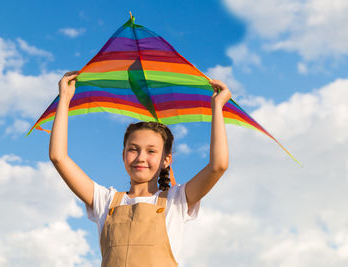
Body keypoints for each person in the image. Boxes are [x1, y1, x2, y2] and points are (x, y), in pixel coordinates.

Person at [49, 71, 232, 266]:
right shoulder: (106, 201)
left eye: (151, 151)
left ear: (166, 160)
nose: (141, 158)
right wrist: (65, 99)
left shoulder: (176, 201)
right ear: (123, 154)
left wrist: (217, 107)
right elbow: (58, 157)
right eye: (133, 149)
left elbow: (218, 165)